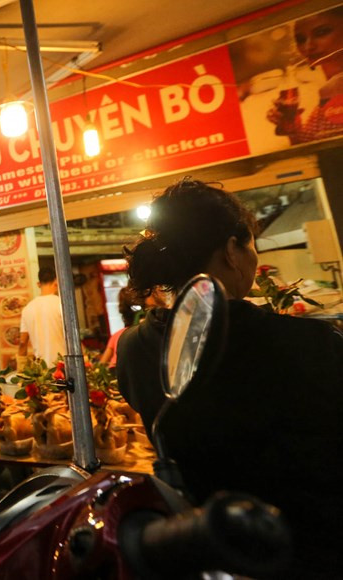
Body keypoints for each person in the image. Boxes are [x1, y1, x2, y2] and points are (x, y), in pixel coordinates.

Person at [116, 177, 343, 578]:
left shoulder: (133, 348)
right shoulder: (308, 341)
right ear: (232, 250)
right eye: (252, 245)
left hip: (210, 550)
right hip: (307, 552)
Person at [267, 7, 343, 144]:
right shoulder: (327, 91)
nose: (308, 46)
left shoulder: (334, 87)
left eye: (321, 32)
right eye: (301, 39)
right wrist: (293, 127)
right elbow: (312, 144)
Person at [17, 266, 66, 368]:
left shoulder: (27, 309)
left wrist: (21, 368)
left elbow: (22, 342)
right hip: (63, 366)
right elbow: (72, 336)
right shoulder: (62, 304)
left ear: (38, 284)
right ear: (56, 282)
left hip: (42, 369)